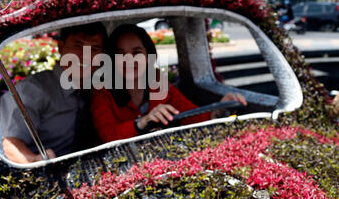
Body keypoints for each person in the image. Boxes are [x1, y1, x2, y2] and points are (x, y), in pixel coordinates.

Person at [90, 24, 247, 143]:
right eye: (120, 54)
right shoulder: (101, 91)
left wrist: (219, 109)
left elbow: (195, 116)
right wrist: (143, 122)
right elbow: (107, 135)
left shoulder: (159, 84)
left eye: (137, 52)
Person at [0, 22, 107, 163]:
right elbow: (10, 144)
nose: (86, 56)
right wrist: (36, 162)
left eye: (94, 49)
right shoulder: (34, 89)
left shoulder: (98, 87)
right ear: (61, 48)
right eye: (78, 46)